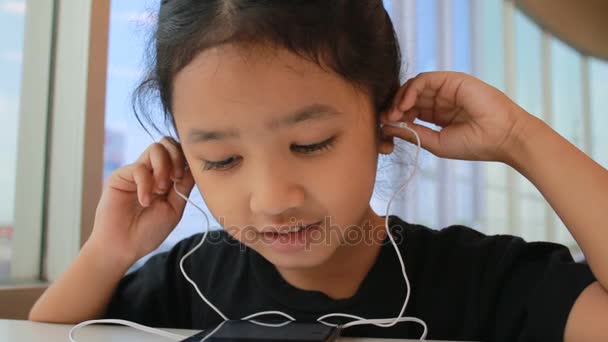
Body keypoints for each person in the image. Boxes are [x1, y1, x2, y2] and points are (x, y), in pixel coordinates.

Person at [29, 1, 608, 341]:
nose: (273, 199)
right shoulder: (192, 277)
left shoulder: (480, 279)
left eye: (310, 143)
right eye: (223, 159)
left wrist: (520, 139)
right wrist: (108, 251)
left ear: (384, 122)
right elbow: (46, 332)